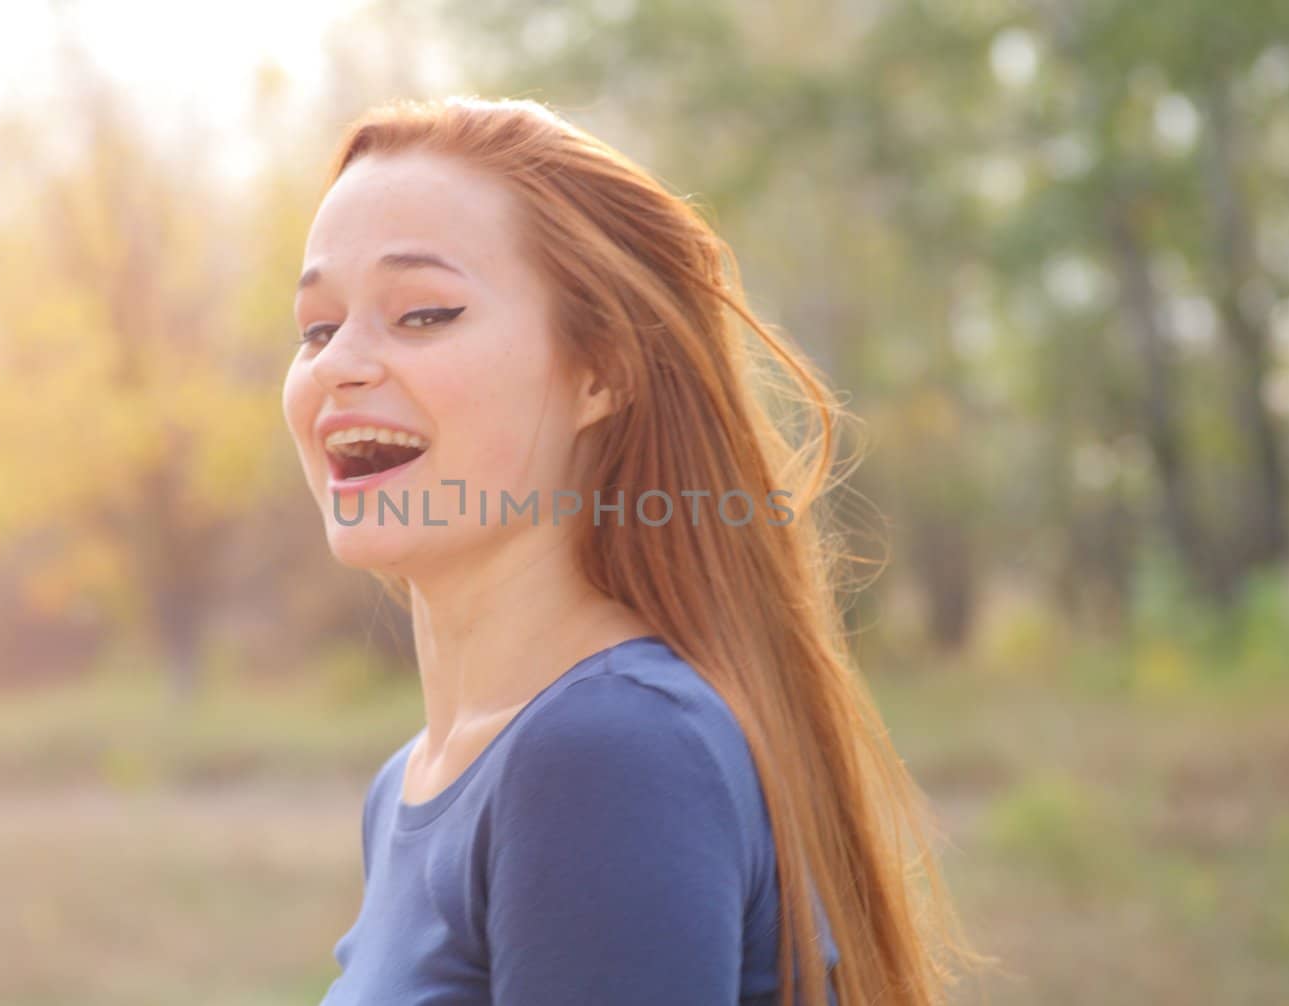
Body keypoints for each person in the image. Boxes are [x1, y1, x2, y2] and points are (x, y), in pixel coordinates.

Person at [282, 96, 972, 1006]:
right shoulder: (412, 783)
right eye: (318, 328)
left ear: (602, 369)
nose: (338, 364)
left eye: (423, 314)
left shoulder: (607, 753)